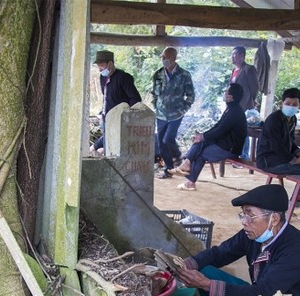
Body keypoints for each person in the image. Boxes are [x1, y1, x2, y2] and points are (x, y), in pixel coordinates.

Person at [176, 184, 300, 296]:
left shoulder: (296, 250)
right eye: (243, 214)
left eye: (250, 215)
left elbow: (264, 294)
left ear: (274, 219)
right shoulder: (253, 234)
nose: (244, 222)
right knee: (205, 270)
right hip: (262, 294)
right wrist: (183, 265)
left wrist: (207, 285)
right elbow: (220, 253)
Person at [169, 83, 247, 191]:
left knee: (201, 154)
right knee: (200, 142)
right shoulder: (230, 109)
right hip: (223, 143)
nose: (224, 93)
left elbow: (220, 130)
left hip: (230, 148)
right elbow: (218, 126)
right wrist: (201, 136)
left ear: (231, 97)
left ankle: (189, 180)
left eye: (226, 92)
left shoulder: (235, 112)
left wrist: (203, 137)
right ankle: (186, 164)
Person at [256, 87, 300, 197]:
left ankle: (296, 198)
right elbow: (277, 146)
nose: (291, 107)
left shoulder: (292, 119)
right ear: (282, 103)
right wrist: (294, 160)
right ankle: (295, 200)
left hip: (280, 159)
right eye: (288, 103)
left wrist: (298, 152)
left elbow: (290, 140)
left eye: (294, 104)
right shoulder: (273, 120)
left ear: (299, 105)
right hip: (268, 161)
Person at [151, 47, 195, 179]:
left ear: (174, 58)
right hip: (161, 114)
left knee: (168, 139)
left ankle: (177, 156)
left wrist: (183, 109)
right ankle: (169, 169)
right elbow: (153, 93)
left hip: (176, 114)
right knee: (161, 142)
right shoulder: (158, 74)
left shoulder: (184, 75)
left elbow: (191, 95)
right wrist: (155, 106)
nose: (163, 59)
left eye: (165, 57)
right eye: (162, 57)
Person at [90, 50, 142, 154]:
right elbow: (106, 96)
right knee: (108, 142)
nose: (100, 69)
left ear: (110, 63)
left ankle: (96, 148)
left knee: (115, 144)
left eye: (102, 65)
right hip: (106, 116)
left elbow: (135, 99)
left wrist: (129, 116)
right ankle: (101, 151)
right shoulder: (102, 77)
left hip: (120, 118)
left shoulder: (124, 78)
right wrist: (102, 112)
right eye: (98, 66)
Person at [230, 46, 260, 159]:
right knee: (235, 130)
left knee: (244, 130)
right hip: (234, 105)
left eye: (235, 55)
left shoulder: (249, 69)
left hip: (245, 105)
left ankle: (244, 156)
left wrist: (252, 100)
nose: (232, 58)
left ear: (242, 56)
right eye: (232, 55)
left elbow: (254, 87)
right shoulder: (234, 71)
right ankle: (235, 154)